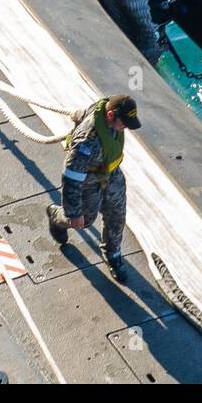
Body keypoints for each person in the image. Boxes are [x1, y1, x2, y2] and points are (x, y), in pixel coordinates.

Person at [45, 94, 141, 283]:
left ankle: (113, 253)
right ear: (111, 115)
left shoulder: (109, 111)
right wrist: (73, 213)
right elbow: (71, 177)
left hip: (111, 175)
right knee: (84, 221)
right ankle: (56, 216)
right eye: (124, 123)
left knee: (117, 214)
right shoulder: (86, 141)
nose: (125, 128)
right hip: (88, 182)